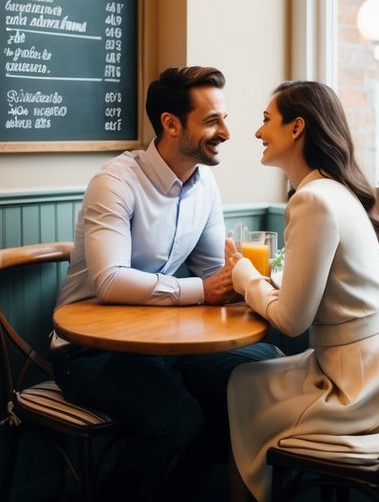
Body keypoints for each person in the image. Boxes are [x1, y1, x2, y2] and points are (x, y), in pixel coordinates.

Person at [49, 65, 282, 498]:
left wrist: (248, 283)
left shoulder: (205, 185)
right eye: (212, 120)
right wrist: (202, 290)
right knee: (178, 418)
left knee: (258, 373)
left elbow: (218, 274)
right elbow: (110, 282)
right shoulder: (114, 183)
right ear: (171, 124)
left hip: (163, 345)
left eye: (224, 118)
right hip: (87, 352)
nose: (227, 132)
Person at [225, 80, 379, 502]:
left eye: (266, 120)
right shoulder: (334, 190)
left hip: (362, 389)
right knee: (248, 377)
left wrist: (245, 276)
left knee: (242, 382)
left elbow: (291, 321)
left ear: (296, 128)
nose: (257, 132)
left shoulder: (313, 201)